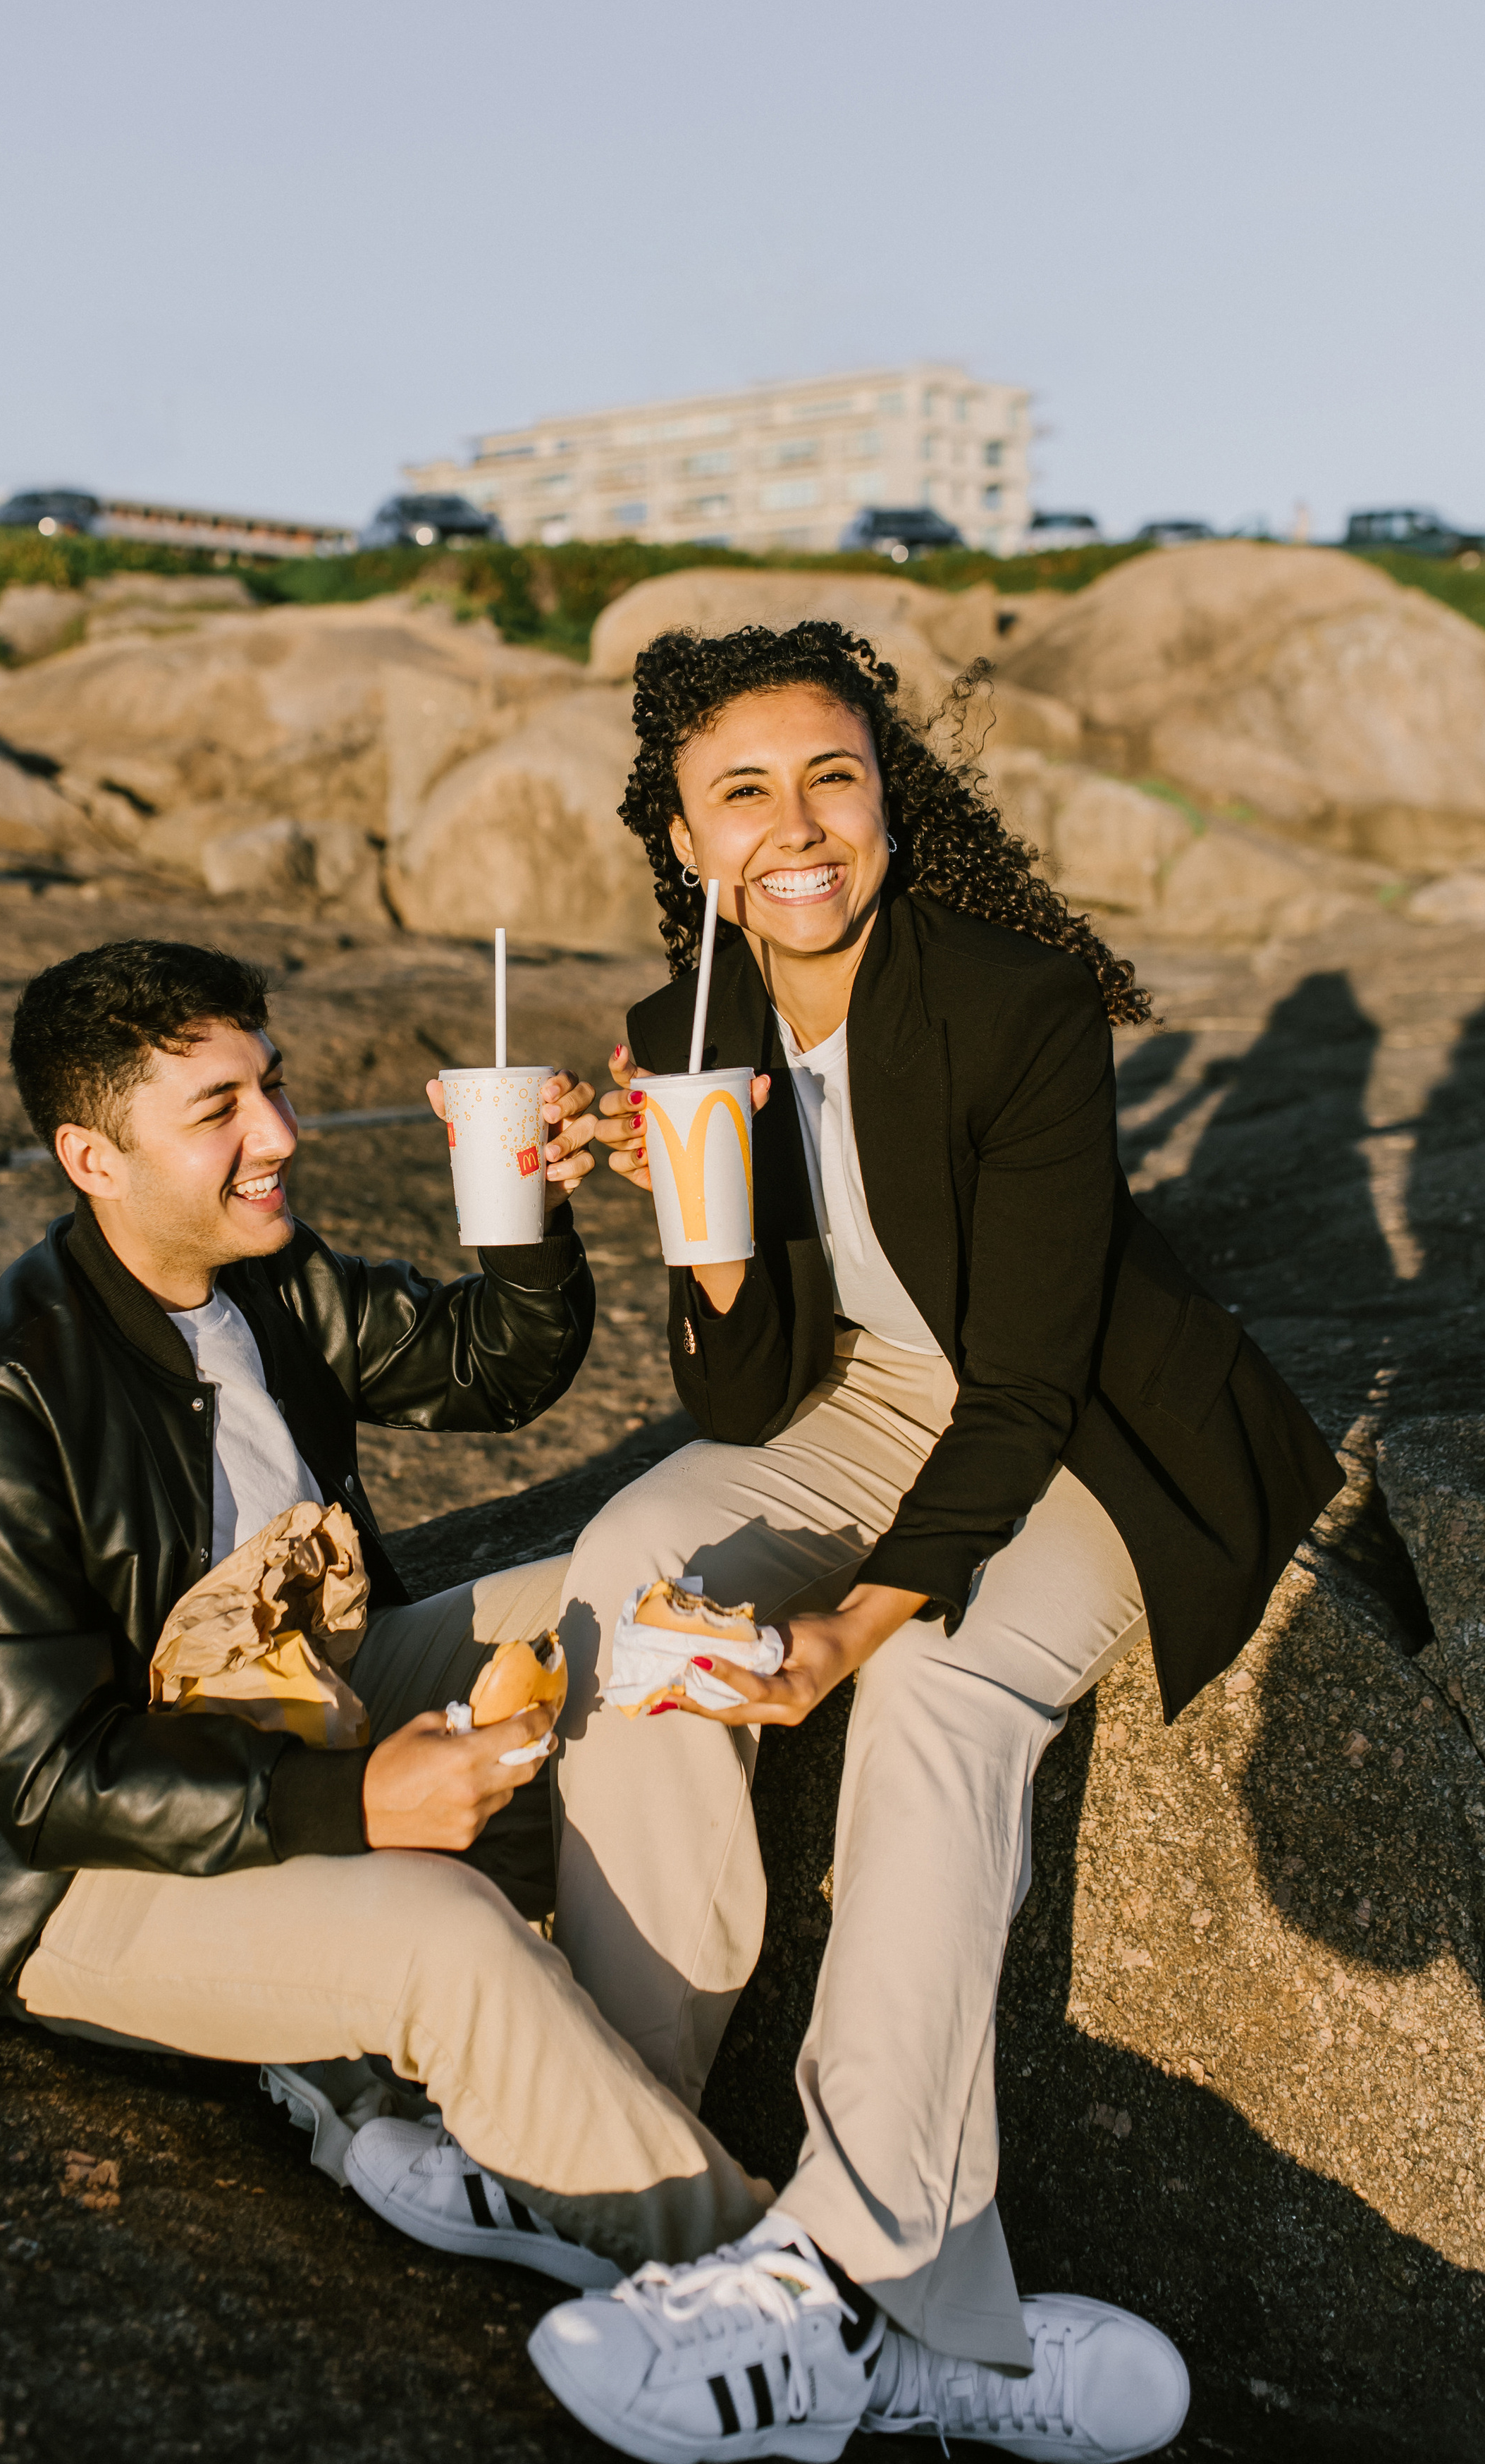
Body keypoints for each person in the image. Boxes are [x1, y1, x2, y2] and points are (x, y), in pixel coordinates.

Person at [528, 625, 1342, 2463]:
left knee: (936, 1699)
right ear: (680, 833)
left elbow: (1033, 1386)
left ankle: (837, 2277)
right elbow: (740, 1398)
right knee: (630, 1577)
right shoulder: (687, 1029)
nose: (799, 826)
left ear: (893, 799)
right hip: (859, 1406)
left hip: (1084, 1448)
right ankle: (617, 2142)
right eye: (744, 790)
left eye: (837, 776)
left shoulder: (1012, 1002)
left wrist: (861, 1622)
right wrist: (693, 1196)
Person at [0, 938, 772, 2287]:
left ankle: (607, 2129)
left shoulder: (264, 1281)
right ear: (91, 1158)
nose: (280, 1134)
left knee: (647, 1613)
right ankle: (783, 2292)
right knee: (447, 1928)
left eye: (271, 1086)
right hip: (72, 1865)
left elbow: (490, 1366)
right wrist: (356, 1812)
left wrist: (523, 1201)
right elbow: (47, 1778)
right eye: (219, 1109)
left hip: (315, 1692)